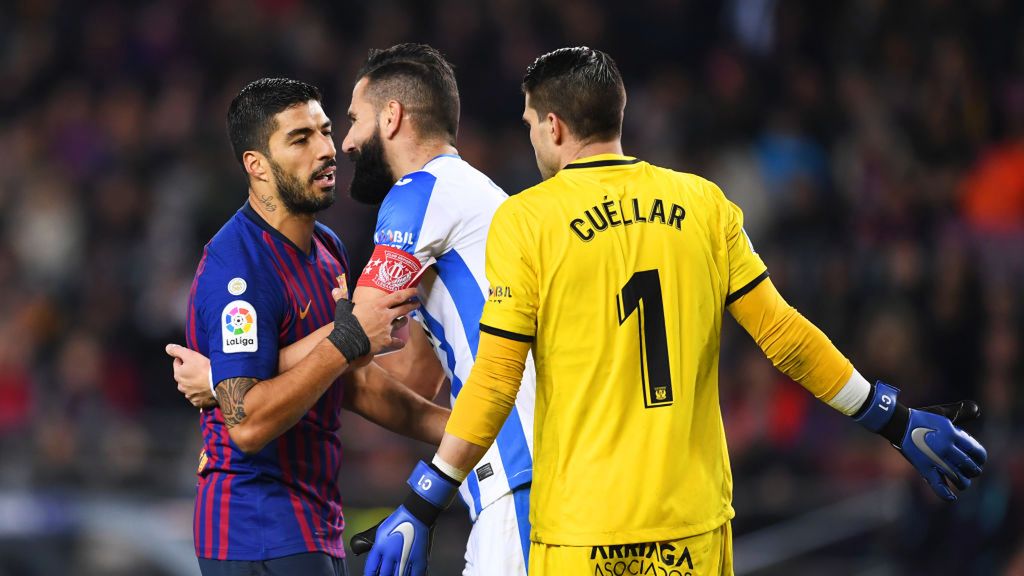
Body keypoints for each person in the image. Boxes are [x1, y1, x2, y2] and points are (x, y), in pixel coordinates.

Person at [361, 47, 989, 576]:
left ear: (553, 126)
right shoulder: (704, 204)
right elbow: (784, 336)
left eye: (530, 124)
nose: (530, 138)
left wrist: (424, 500)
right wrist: (890, 415)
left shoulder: (529, 220)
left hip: (583, 531)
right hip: (692, 528)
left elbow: (497, 380)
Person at [172, 46, 537, 576]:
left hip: (315, 519)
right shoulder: (238, 269)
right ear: (256, 166)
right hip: (254, 527)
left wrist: (475, 431)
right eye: (302, 138)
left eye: (327, 129)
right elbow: (247, 423)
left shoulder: (330, 250)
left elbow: (357, 381)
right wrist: (341, 342)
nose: (330, 148)